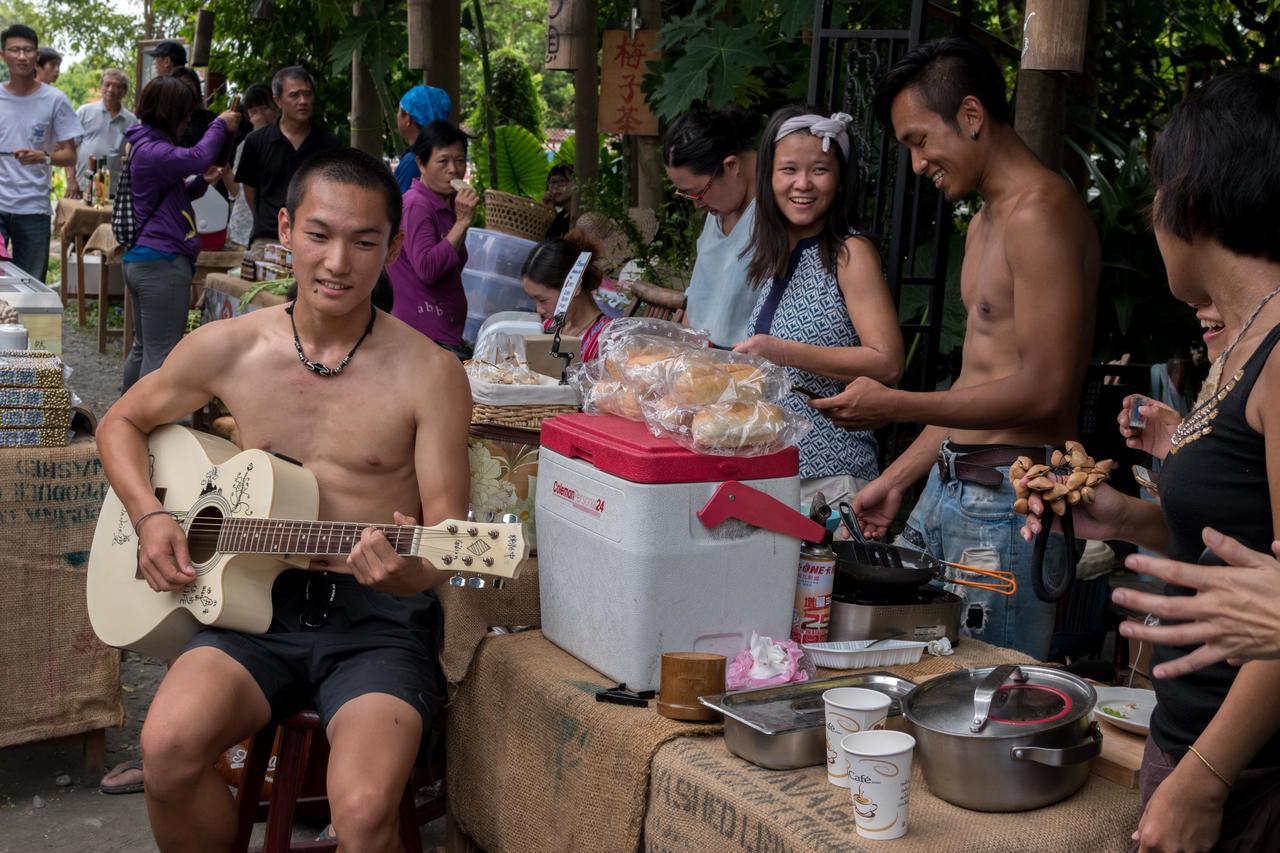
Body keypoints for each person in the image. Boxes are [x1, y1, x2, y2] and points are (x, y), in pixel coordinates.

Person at [97, 146, 469, 853]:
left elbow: (447, 535)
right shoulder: (230, 346)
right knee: (167, 750)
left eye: (364, 242)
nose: (337, 262)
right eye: (320, 235)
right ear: (286, 229)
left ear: (392, 246)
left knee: (361, 814)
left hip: (376, 619)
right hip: (250, 601)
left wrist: (412, 569)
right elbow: (121, 420)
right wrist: (150, 516)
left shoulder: (431, 373)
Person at [1022, 71, 1280, 851]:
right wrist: (1123, 517)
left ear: (1191, 202)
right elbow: (1230, 547)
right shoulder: (1239, 341)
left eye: (1156, 197)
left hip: (1246, 770)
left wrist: (1204, 777)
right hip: (1195, 733)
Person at [819, 37, 1098, 659]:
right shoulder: (987, 221)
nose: (917, 164)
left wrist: (893, 404)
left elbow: (1045, 389)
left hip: (1010, 501)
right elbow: (977, 382)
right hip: (952, 488)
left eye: (920, 140)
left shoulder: (1042, 213)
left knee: (987, 698)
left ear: (971, 116)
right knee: (920, 676)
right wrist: (897, 478)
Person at [732, 106, 904, 506]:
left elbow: (888, 361)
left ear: (841, 180)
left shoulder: (850, 253)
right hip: (778, 475)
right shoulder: (776, 253)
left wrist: (780, 352)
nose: (803, 184)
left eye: (820, 170)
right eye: (789, 169)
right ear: (769, 177)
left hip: (832, 482)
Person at [120, 75, 238, 391]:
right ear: (169, 112)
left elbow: (173, 198)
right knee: (161, 356)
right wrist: (220, 124)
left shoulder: (145, 144)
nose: (188, 121)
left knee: (143, 348)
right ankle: (145, 429)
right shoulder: (152, 150)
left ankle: (125, 419)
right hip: (160, 263)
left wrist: (204, 183)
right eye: (185, 114)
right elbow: (198, 157)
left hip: (145, 259)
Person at [663, 105, 761, 348]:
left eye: (697, 193)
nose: (697, 205)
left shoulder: (778, 212)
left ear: (731, 166)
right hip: (705, 360)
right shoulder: (720, 206)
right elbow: (700, 296)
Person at [386, 120, 478, 356]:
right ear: (421, 163)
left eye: (460, 160)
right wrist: (463, 222)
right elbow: (428, 269)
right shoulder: (416, 205)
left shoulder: (447, 206)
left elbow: (452, 265)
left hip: (443, 332)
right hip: (423, 336)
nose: (453, 170)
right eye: (443, 161)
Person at [0, 24, 81, 281]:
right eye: (15, 50)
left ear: (36, 55)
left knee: (31, 285)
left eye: (27, 50)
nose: (21, 56)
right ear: (3, 55)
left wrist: (43, 157)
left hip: (34, 208)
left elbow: (70, 154)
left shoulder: (55, 99)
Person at [235, 65, 342, 246]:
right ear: (278, 101)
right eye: (294, 95)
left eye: (307, 94)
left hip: (314, 238)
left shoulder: (329, 145)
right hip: (268, 237)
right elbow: (249, 189)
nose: (303, 101)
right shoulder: (256, 142)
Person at [521, 229, 610, 361]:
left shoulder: (606, 342)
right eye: (533, 300)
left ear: (574, 289)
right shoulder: (549, 326)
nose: (538, 310)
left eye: (543, 300)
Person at [66, 69, 136, 200]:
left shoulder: (131, 121)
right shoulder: (84, 112)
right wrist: (71, 180)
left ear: (124, 91)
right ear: (101, 87)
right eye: (107, 84)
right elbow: (69, 148)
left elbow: (132, 158)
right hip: (83, 185)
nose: (110, 89)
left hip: (113, 189)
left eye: (117, 86)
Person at [224, 84, 277, 247]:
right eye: (253, 111)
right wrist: (224, 169)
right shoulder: (245, 145)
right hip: (241, 230)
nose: (260, 115)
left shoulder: (285, 143)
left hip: (271, 229)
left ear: (277, 105)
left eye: (265, 108)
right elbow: (236, 193)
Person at [393, 84, 452, 193]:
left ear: (408, 119)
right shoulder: (446, 158)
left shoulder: (413, 162)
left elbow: (402, 207)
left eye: (399, 111)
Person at [171, 67, 217, 150]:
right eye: (180, 85)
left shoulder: (209, 119)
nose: (185, 90)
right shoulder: (164, 119)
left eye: (189, 85)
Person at [542, 164, 574, 239]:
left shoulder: (581, 214)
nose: (556, 187)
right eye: (553, 182)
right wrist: (548, 208)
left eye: (562, 181)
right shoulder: (560, 216)